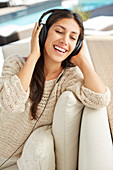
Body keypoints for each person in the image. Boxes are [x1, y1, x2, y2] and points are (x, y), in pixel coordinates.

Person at [0, 9, 111, 170]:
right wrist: (33, 56)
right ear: (43, 33)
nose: (65, 41)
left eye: (73, 38)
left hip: (19, 159)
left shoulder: (69, 77)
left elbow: (101, 99)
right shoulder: (15, 64)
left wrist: (82, 60)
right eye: (59, 31)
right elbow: (11, 104)